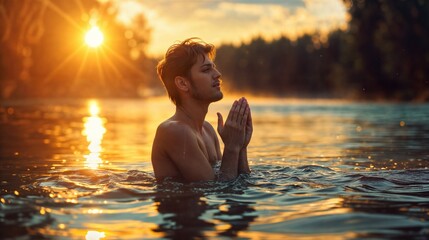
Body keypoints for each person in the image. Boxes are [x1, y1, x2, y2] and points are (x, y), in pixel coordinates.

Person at [151, 38, 252, 182]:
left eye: (214, 67)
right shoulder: (174, 131)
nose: (217, 74)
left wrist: (240, 146)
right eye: (206, 69)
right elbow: (216, 190)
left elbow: (239, 181)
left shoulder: (208, 130)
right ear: (183, 83)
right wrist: (230, 147)